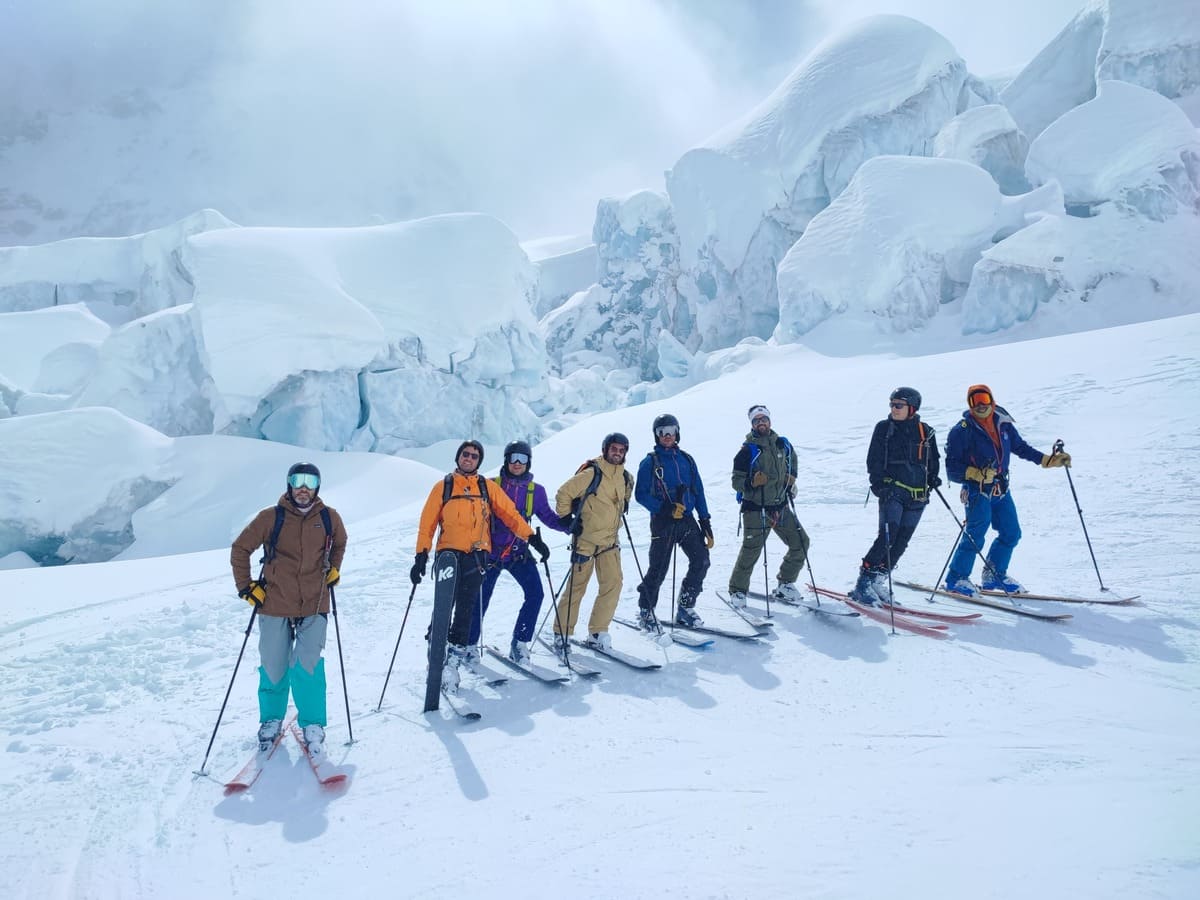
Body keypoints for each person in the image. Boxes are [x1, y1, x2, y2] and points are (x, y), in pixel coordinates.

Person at [411, 440, 550, 691]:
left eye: (474, 456)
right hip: (448, 556)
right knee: (444, 607)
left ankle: (452, 663)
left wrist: (531, 538)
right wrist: (421, 554)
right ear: (458, 457)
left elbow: (510, 515)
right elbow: (427, 523)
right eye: (465, 454)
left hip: (476, 557)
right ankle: (436, 647)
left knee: (466, 610)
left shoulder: (487, 488)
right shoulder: (444, 486)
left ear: (479, 461)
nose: (469, 458)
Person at [231, 462, 347, 760]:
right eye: (298, 480)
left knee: (306, 664)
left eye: (310, 481)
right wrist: (246, 588)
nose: (304, 487)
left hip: (314, 601)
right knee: (273, 665)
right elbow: (240, 549)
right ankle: (271, 720)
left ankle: (313, 725)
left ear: (318, 486)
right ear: (289, 484)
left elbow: (340, 544)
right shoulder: (271, 517)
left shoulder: (329, 518)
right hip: (275, 603)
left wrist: (334, 569)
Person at [943, 384, 1071, 596]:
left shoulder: (1003, 424)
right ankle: (956, 579)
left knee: (1011, 532)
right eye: (975, 401)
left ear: (992, 400)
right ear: (970, 404)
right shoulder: (962, 431)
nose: (981, 405)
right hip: (977, 491)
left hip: (1001, 489)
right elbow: (951, 469)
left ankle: (994, 575)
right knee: (976, 535)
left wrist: (1048, 461)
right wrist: (975, 474)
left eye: (984, 398)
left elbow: (1020, 447)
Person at [468, 440, 569, 664]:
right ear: (505, 460)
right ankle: (469, 645)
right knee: (480, 600)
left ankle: (520, 643)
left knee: (536, 594)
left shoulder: (535, 492)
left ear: (528, 463)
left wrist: (569, 526)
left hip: (518, 554)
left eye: (522, 459)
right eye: (513, 457)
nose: (517, 463)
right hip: (490, 555)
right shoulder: (490, 485)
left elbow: (549, 518)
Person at [847, 387, 942, 605]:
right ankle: (864, 582)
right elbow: (874, 459)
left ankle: (878, 580)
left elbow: (933, 460)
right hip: (893, 491)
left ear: (912, 408)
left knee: (902, 541)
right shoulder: (884, 428)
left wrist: (934, 478)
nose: (894, 409)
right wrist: (878, 484)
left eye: (898, 405)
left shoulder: (926, 431)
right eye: (891, 404)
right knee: (887, 537)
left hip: (918, 495)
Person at [550, 432, 635, 656]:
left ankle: (598, 633)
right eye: (613, 449)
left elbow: (625, 497)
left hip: (609, 541)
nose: (617, 453)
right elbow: (563, 493)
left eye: (621, 450)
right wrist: (568, 520)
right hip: (586, 541)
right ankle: (562, 634)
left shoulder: (625, 477)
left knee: (613, 584)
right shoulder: (592, 473)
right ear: (606, 449)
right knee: (577, 587)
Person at [633, 414, 714, 628]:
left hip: (687, 521)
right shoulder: (650, 462)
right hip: (663, 522)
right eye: (662, 432)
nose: (667, 435)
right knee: (659, 569)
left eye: (670, 430)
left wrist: (704, 520)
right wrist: (664, 509)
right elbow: (640, 494)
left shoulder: (686, 459)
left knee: (702, 561)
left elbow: (698, 490)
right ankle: (646, 610)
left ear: (677, 432)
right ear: (656, 435)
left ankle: (686, 607)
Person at [727, 405, 811, 607]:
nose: (761, 423)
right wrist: (751, 483)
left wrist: (790, 481)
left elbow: (792, 464)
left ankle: (785, 584)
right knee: (751, 551)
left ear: (769, 421)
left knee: (801, 543)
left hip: (780, 506)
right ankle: (737, 591)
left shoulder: (782, 444)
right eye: (756, 420)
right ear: (752, 424)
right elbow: (735, 482)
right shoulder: (747, 451)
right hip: (756, 509)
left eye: (763, 419)